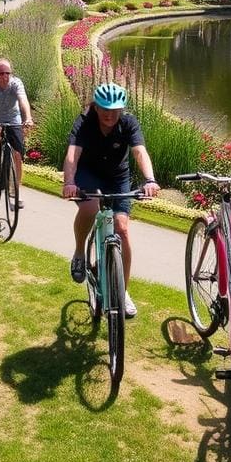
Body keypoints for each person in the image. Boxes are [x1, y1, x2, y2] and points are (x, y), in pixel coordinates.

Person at [62, 83, 160, 319]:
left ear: (122, 109)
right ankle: (79, 254)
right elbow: (73, 154)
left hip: (117, 177)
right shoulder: (84, 122)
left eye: (115, 110)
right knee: (90, 206)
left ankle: (122, 291)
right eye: (105, 109)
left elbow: (139, 151)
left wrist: (149, 179)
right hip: (88, 174)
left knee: (122, 229)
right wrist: (69, 182)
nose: (110, 115)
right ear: (95, 107)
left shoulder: (128, 123)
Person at [0, 58, 34, 208]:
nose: (4, 76)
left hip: (12, 118)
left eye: (7, 73)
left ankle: (15, 191)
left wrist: (27, 118)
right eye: (1, 73)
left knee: (17, 155)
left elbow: (23, 100)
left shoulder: (16, 84)